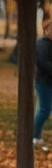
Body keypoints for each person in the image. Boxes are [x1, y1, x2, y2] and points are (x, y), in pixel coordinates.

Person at [33, 19, 52, 152]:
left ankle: (36, 134)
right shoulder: (42, 44)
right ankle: (34, 135)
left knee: (45, 109)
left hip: (49, 81)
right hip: (44, 82)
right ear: (46, 30)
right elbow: (43, 63)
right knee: (44, 110)